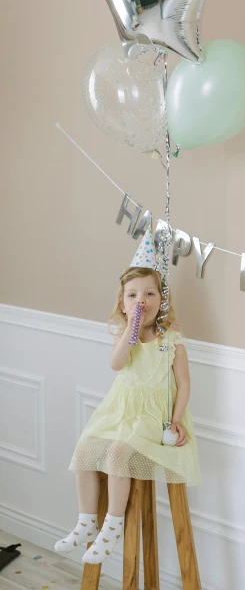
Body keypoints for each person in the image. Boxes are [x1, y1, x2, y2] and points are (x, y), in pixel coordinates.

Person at [54, 226, 201, 564]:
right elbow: (116, 364)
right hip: (121, 414)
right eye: (132, 295)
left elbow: (185, 383)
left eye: (149, 294)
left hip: (153, 418)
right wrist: (130, 333)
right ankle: (86, 521)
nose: (141, 302)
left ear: (161, 301)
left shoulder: (171, 341)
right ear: (122, 302)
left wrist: (177, 420)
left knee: (119, 452)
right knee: (86, 448)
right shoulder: (125, 335)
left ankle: (113, 525)